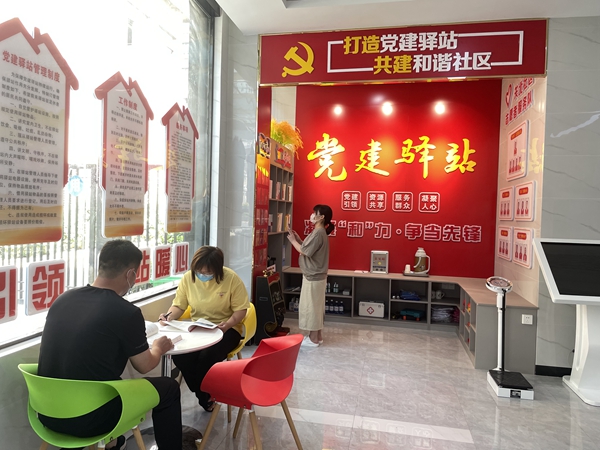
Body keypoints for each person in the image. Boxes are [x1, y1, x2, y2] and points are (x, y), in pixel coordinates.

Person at [38, 239, 183, 450]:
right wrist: (158, 348)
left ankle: (113, 443)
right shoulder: (126, 312)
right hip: (90, 418)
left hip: (47, 411)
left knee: (106, 383)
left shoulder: (63, 299)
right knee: (169, 388)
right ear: (130, 274)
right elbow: (144, 365)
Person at [159, 246, 250, 412]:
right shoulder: (189, 278)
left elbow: (241, 310)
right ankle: (204, 394)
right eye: (199, 271)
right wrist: (168, 316)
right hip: (199, 327)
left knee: (206, 358)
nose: (202, 274)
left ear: (218, 269)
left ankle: (204, 397)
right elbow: (179, 305)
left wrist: (228, 324)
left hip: (227, 329)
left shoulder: (231, 279)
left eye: (207, 272)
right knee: (180, 355)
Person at [287, 204, 335, 347]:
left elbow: (305, 251)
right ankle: (317, 336)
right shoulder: (319, 232)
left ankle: (313, 338)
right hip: (316, 276)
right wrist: (298, 240)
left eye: (315, 213)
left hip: (313, 276)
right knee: (316, 307)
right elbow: (308, 248)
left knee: (311, 308)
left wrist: (293, 241)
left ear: (321, 217)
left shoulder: (318, 233)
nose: (312, 215)